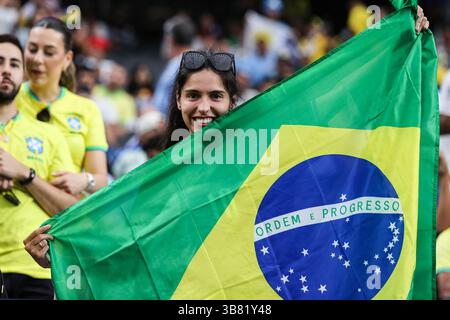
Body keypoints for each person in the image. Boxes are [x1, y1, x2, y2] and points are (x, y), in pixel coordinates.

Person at [24, 6, 431, 274]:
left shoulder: (264, 155)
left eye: (216, 96)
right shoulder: (155, 174)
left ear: (233, 103)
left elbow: (339, 110)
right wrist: (61, 252)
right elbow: (123, 242)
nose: (204, 107)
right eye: (193, 96)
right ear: (178, 101)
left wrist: (396, 46)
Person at [0, 33, 77, 299]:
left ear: (23, 74)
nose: (6, 70)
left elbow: (72, 210)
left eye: (13, 64)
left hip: (33, 269)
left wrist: (24, 173)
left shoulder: (49, 135)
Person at [16, 16, 108, 197]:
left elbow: (101, 180)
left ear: (67, 59)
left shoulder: (87, 109)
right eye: (32, 49)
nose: (37, 59)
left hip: (68, 212)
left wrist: (83, 180)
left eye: (48, 52)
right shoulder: (9, 99)